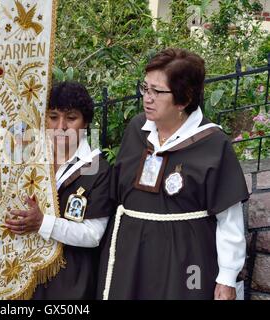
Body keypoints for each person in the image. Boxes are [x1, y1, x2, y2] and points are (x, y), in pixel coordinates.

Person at [98, 48, 249, 300]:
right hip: (131, 254)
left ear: (184, 99)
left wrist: (227, 277)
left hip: (188, 262)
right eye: (144, 88)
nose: (147, 98)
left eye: (157, 91)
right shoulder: (136, 130)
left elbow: (229, 218)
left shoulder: (213, 144)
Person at [5, 81, 114, 299]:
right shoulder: (30, 157)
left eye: (71, 118)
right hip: (23, 272)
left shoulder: (98, 170)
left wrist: (42, 223)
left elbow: (92, 235)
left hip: (70, 281)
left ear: (86, 123)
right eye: (53, 117)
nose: (60, 126)